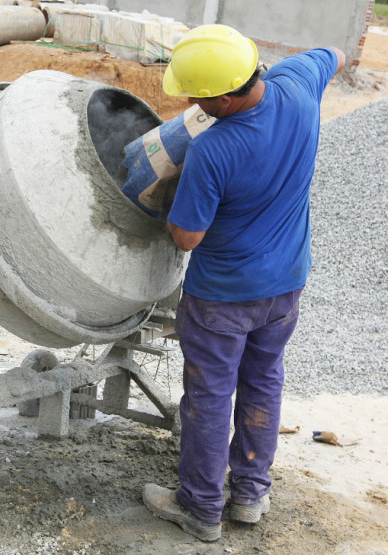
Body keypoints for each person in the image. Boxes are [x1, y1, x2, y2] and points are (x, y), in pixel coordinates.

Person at [142, 24, 346, 542]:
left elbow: (187, 238)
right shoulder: (298, 84)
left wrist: (170, 202)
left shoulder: (214, 150)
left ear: (227, 98)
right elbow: (336, 54)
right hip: (286, 285)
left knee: (209, 397)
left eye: (198, 96)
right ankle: (251, 494)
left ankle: (201, 508)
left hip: (222, 298)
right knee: (264, 380)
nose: (190, 103)